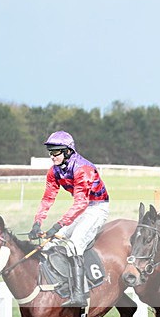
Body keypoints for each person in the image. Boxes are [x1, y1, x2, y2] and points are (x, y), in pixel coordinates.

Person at [27, 131, 110, 307]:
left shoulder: (83, 169)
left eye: (56, 152)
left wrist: (57, 226)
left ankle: (80, 294)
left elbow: (81, 203)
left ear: (68, 151)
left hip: (97, 207)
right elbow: (48, 198)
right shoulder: (54, 171)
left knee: (74, 244)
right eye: (50, 152)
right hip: (82, 208)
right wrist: (37, 223)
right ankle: (58, 285)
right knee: (50, 243)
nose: (52, 156)